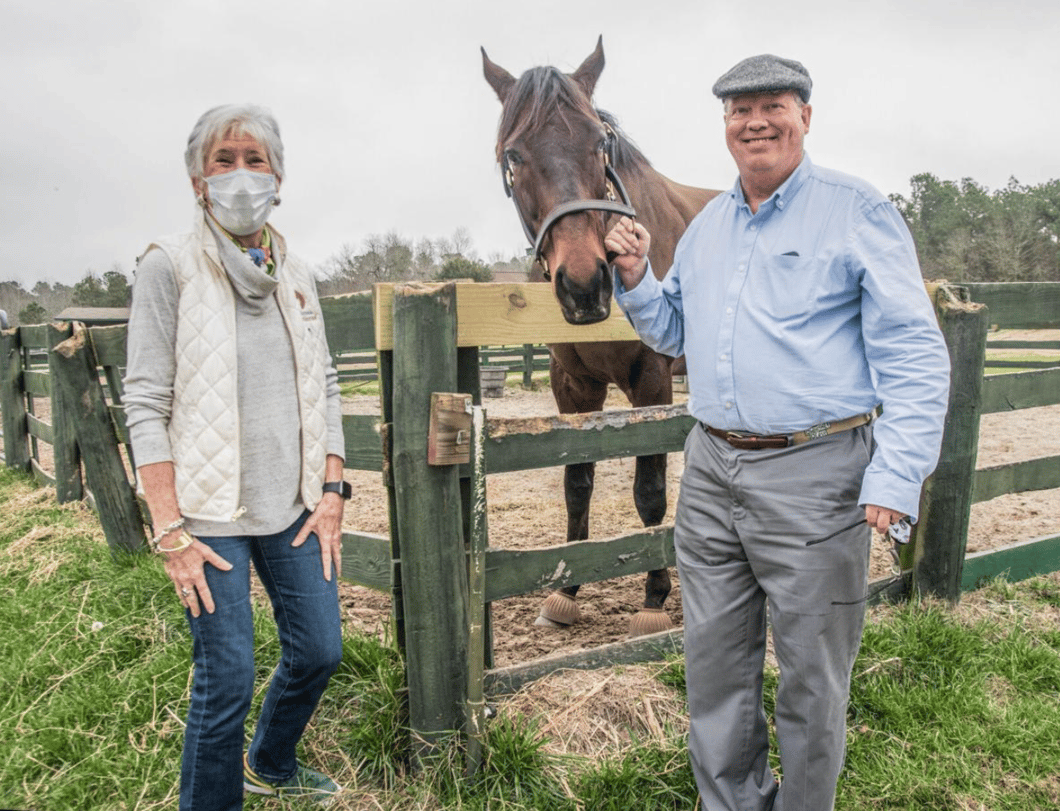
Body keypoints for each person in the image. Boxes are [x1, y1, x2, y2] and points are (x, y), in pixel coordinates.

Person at [605, 55, 951, 811]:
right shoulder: (707, 230)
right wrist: (634, 275)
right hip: (713, 470)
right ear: (724, 126)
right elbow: (673, 331)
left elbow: (916, 353)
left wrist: (895, 474)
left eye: (773, 105)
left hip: (817, 473)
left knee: (810, 675)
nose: (755, 120)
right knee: (715, 666)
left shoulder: (855, 209)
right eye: (739, 109)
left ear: (805, 116)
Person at [123, 104, 349, 810]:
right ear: (198, 179)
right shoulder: (169, 268)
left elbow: (328, 380)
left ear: (278, 175)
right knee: (226, 675)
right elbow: (145, 403)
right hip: (209, 515)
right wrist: (170, 530)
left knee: (319, 651)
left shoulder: (296, 270)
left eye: (256, 159)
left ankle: (272, 761)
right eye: (224, 160)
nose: (241, 174)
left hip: (293, 506)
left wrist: (335, 487)